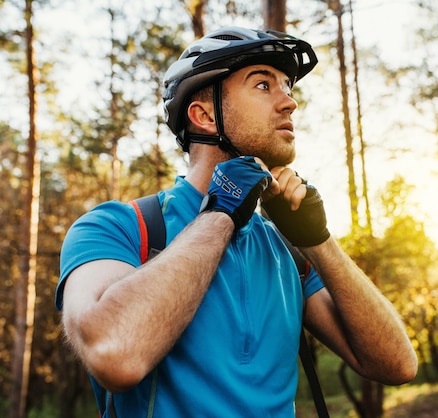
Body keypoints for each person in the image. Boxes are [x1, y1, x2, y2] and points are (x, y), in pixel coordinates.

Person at [56, 26, 417, 417]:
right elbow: (113, 354)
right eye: (263, 85)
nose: (289, 103)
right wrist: (220, 214)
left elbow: (397, 365)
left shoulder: (286, 252)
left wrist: (318, 240)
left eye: (288, 87)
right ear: (205, 115)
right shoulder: (119, 227)